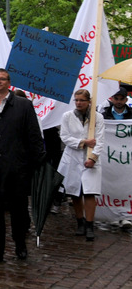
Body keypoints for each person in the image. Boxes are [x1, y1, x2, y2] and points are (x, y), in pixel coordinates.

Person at [0, 68, 45, 264]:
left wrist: (37, 163)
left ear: (9, 82)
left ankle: (20, 245)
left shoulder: (24, 105)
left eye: (2, 79)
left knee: (19, 211)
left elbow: (34, 135)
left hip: (17, 167)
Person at [58, 89, 105, 241]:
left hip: (89, 159)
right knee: (75, 193)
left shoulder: (97, 117)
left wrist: (93, 158)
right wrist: (83, 142)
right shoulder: (67, 116)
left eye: (82, 100)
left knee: (89, 192)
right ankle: (80, 222)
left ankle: (90, 225)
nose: (78, 103)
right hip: (73, 158)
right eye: (76, 100)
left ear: (89, 102)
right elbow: (65, 137)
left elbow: (100, 139)